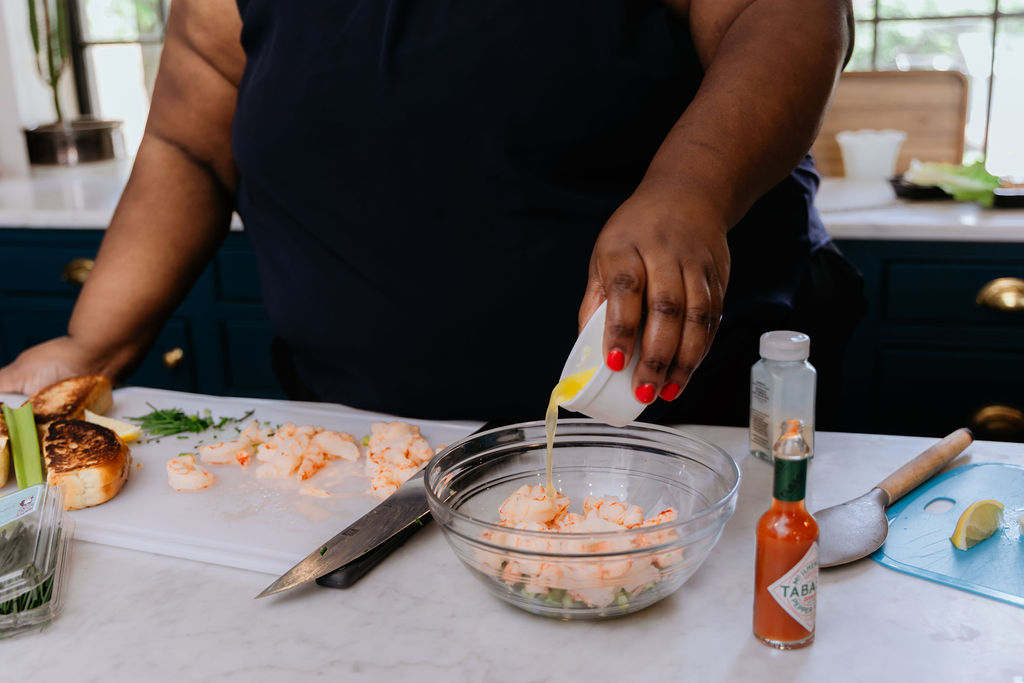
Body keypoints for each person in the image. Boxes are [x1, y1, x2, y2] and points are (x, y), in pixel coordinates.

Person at [0, 0, 864, 429]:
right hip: (375, 447)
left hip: (687, 428)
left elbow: (785, 14)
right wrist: (90, 343)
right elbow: (188, 143)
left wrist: (689, 191)